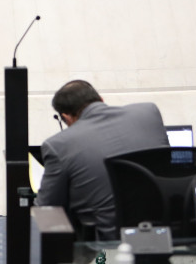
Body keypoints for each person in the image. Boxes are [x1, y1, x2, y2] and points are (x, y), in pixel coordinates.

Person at [34, 80, 169, 240]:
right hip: (164, 237)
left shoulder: (59, 145)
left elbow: (46, 207)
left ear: (66, 117)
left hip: (107, 248)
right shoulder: (148, 112)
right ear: (101, 100)